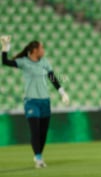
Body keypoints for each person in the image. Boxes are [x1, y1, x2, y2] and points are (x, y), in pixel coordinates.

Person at [1, 36, 70, 168]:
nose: (43, 50)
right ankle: (38, 158)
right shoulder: (23, 62)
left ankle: (39, 155)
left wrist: (62, 93)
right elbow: (5, 62)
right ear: (34, 50)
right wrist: (5, 47)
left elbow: (52, 77)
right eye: (41, 48)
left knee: (43, 132)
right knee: (35, 130)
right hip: (31, 101)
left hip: (45, 101)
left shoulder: (44, 62)